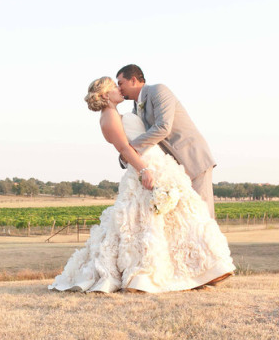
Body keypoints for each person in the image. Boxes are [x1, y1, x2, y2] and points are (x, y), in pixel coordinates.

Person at [48, 77, 234, 293]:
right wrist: (144, 170)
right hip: (146, 165)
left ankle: (205, 267)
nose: (119, 89)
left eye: (120, 84)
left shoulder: (118, 114)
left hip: (157, 161)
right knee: (149, 221)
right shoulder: (108, 118)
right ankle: (153, 274)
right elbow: (125, 149)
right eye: (115, 86)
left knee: (182, 215)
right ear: (106, 95)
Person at [116, 64, 217, 218]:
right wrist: (126, 156)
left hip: (192, 159)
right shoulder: (135, 109)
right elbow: (138, 134)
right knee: (185, 218)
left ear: (134, 80)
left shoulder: (158, 90)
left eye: (120, 83)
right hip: (173, 169)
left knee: (202, 215)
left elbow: (163, 127)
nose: (119, 88)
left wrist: (130, 149)